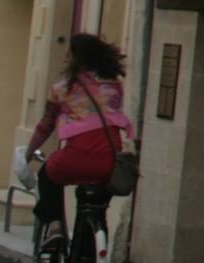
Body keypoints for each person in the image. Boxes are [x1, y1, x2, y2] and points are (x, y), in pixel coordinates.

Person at [26, 33, 132, 251]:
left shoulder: (61, 89)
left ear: (78, 58)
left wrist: (29, 152)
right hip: (109, 162)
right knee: (97, 207)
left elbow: (45, 126)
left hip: (76, 157)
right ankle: (94, 242)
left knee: (47, 177)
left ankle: (55, 228)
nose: (66, 58)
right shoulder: (114, 86)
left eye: (69, 54)